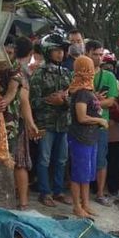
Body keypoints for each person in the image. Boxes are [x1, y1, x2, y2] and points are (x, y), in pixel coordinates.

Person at [29, 33, 73, 207]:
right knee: (44, 159)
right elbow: (32, 101)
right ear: (48, 51)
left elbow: (74, 99)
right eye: (56, 50)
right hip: (45, 123)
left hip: (63, 123)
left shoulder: (68, 73)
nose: (60, 53)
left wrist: (63, 101)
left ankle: (58, 191)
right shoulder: (39, 73)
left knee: (62, 159)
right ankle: (44, 192)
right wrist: (49, 100)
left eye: (62, 50)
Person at [0, 51, 39, 210]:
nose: (7, 53)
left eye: (10, 50)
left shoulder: (18, 72)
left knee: (19, 163)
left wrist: (30, 123)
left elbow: (21, 98)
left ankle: (23, 203)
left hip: (14, 125)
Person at [68, 56, 108, 218]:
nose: (92, 72)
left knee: (86, 174)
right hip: (80, 138)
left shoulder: (87, 91)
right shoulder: (82, 93)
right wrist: (99, 119)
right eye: (89, 69)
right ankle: (77, 206)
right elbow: (81, 117)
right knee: (78, 174)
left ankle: (85, 204)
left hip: (90, 138)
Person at [86, 39, 119, 206]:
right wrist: (97, 101)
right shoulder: (80, 75)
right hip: (82, 125)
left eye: (101, 55)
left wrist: (92, 102)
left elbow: (111, 101)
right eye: (95, 54)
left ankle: (100, 193)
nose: (99, 58)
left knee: (101, 159)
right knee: (82, 159)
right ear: (87, 54)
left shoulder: (109, 76)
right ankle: (82, 194)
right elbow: (76, 101)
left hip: (101, 124)